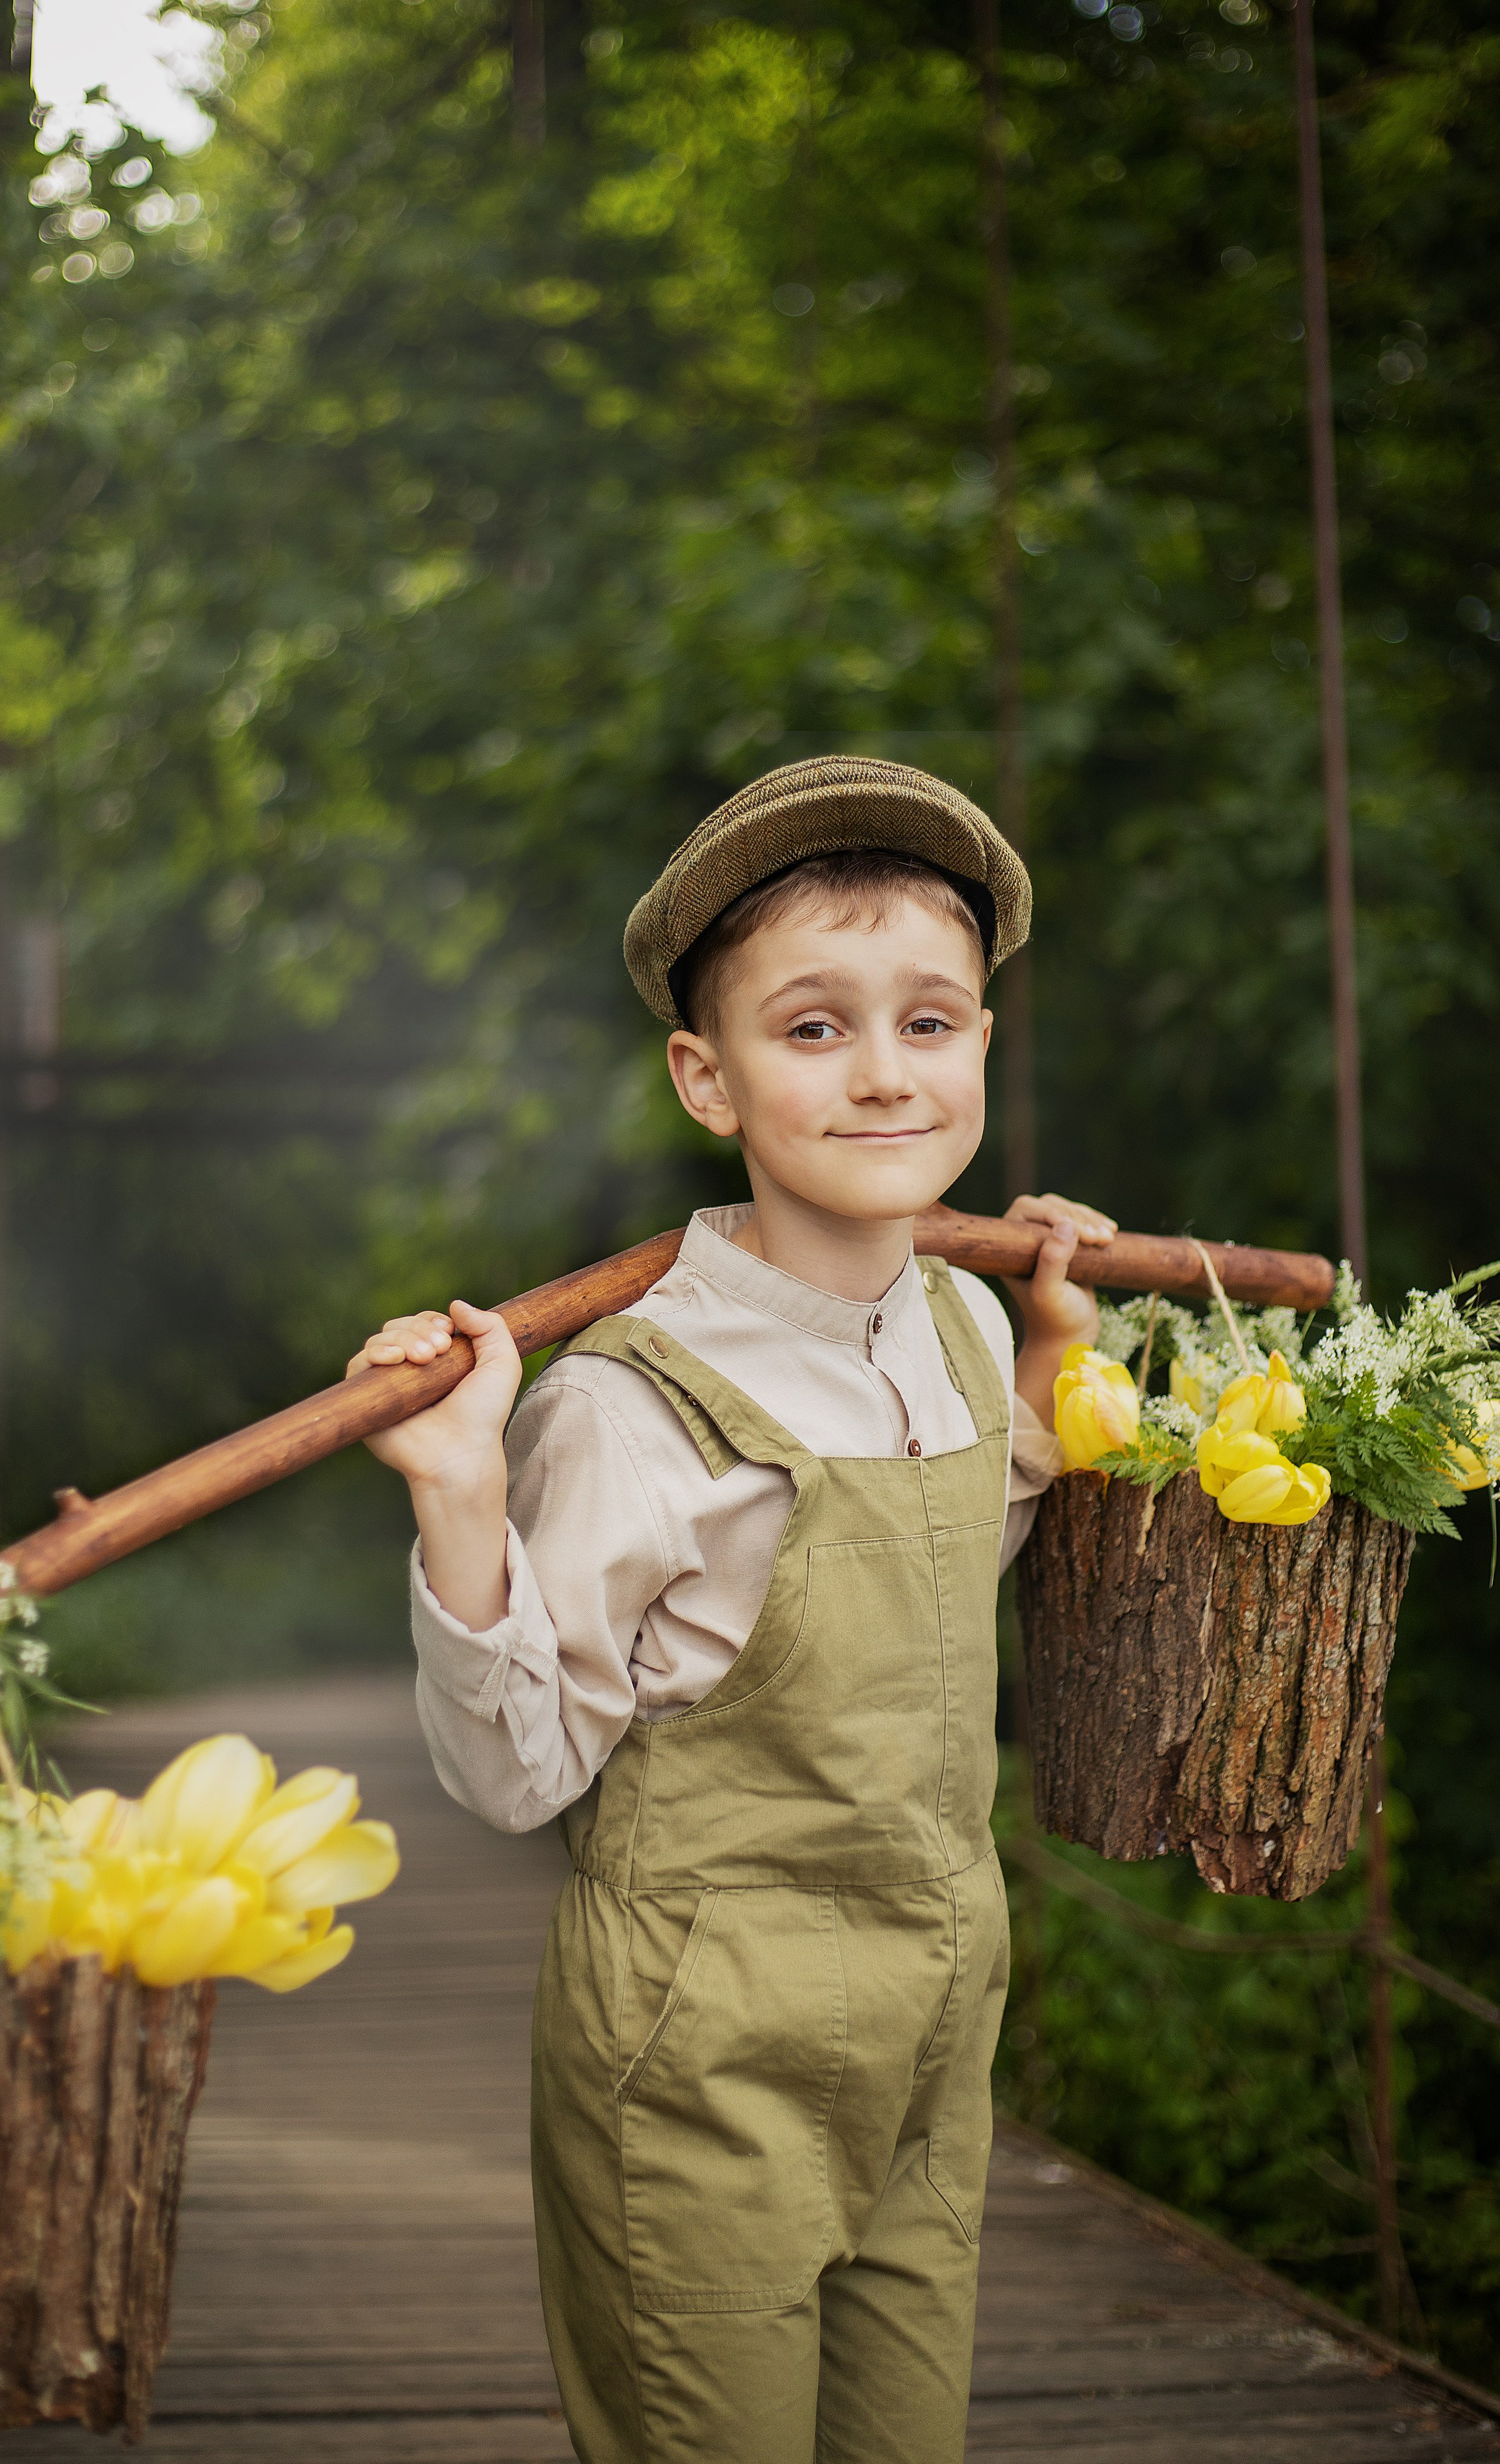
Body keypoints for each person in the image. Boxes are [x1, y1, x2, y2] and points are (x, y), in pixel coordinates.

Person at [348, 756, 1113, 2464]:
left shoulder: (968, 1334)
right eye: (812, 1029)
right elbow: (512, 1775)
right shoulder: (629, 1407)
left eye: (929, 1022)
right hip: (702, 2052)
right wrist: (461, 1490)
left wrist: (1054, 1360)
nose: (882, 1074)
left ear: (982, 1043)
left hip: (933, 2021)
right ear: (708, 1078)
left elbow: (941, 1558)